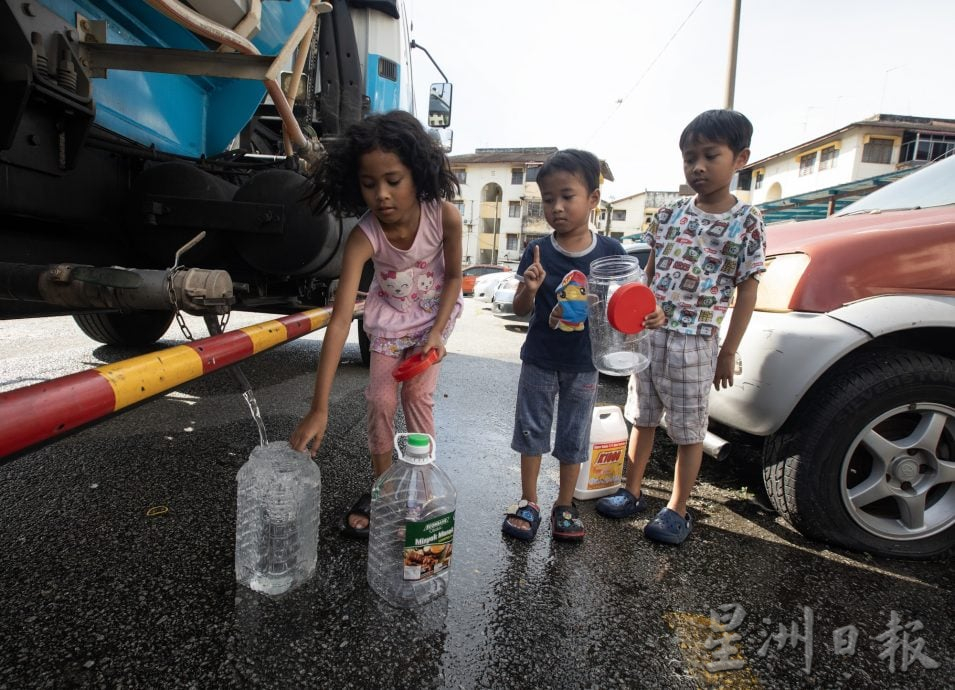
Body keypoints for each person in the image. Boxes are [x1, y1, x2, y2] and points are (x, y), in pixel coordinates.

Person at [595, 109, 766, 545]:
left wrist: (728, 350)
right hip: (650, 335)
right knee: (642, 417)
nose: (698, 167)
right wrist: (631, 319)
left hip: (696, 340)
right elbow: (650, 275)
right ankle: (631, 490)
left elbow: (747, 289)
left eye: (711, 156)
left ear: (740, 158)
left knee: (689, 429)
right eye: (690, 158)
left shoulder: (746, 221)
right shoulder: (668, 215)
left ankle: (677, 507)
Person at [289, 110, 463, 539]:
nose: (381, 195)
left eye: (393, 181)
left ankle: (422, 491)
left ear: (417, 175)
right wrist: (319, 406)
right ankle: (384, 491)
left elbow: (456, 277)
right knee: (381, 401)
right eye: (369, 184)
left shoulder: (444, 217)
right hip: (389, 322)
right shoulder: (363, 237)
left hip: (431, 322)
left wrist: (438, 332)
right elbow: (338, 322)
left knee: (418, 397)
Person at [501, 149, 631, 543]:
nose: (556, 207)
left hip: (584, 363)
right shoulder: (537, 252)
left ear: (593, 198)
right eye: (548, 199)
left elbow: (626, 306)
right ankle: (528, 501)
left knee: (573, 437)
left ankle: (564, 505)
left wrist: (647, 314)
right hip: (539, 359)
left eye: (567, 196)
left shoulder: (611, 254)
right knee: (532, 431)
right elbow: (522, 310)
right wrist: (530, 287)